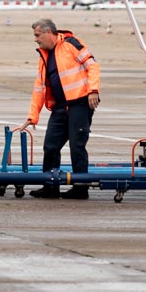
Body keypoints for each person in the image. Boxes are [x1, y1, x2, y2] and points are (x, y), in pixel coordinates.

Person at [23, 18, 100, 200]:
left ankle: (81, 188)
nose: (35, 39)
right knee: (50, 146)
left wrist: (93, 90)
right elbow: (39, 88)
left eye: (37, 35)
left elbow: (93, 66)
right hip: (59, 107)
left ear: (49, 33)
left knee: (77, 146)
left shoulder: (71, 44)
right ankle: (50, 186)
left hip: (79, 103)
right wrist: (33, 116)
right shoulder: (44, 56)